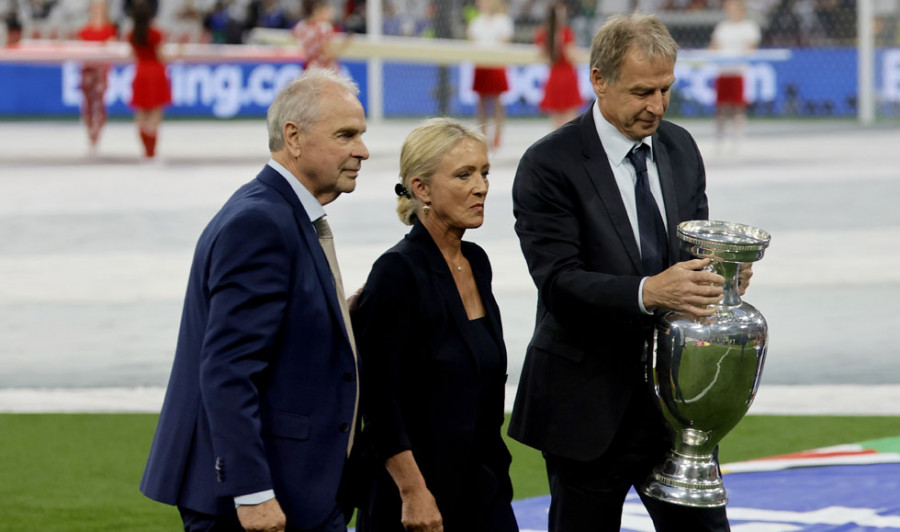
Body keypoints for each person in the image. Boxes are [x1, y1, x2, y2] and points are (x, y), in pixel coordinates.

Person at [508, 12, 753, 532]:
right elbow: (558, 282)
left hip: (675, 409)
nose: (657, 106)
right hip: (587, 407)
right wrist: (649, 291)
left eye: (666, 89)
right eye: (643, 92)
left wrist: (721, 278)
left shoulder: (681, 148)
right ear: (598, 80)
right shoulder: (549, 163)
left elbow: (693, 249)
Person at [139, 68, 369, 532]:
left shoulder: (277, 213)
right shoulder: (261, 224)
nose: (362, 150)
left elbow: (275, 330)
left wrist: (338, 316)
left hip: (294, 488)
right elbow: (227, 368)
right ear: (294, 137)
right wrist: (253, 492)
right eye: (346, 135)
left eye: (361, 135)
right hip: (260, 499)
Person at [352, 118, 518, 532]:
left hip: (482, 491)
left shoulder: (476, 262)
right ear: (421, 188)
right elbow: (378, 398)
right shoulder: (396, 272)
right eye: (464, 175)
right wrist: (413, 492)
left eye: (484, 173)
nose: (481, 187)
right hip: (417, 499)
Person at [709, 0, 761, 152]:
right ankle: (719, 139)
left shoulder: (749, 27)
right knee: (721, 108)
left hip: (738, 72)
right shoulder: (723, 27)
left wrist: (739, 55)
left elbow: (751, 46)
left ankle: (738, 140)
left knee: (738, 107)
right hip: (723, 72)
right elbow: (714, 45)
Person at [466, 0, 513, 150]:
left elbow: (505, 41)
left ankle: (497, 136)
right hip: (481, 64)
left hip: (496, 64)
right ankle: (483, 134)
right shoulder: (476, 22)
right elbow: (472, 42)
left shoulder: (503, 20)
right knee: (481, 101)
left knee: (497, 101)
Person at [127, 0, 171, 160]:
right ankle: (152, 151)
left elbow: (132, 55)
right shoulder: (155, 34)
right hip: (156, 72)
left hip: (141, 71)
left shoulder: (131, 35)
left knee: (142, 112)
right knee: (155, 112)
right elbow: (162, 56)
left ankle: (146, 150)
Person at [534, 0, 583, 130]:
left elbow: (542, 54)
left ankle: (557, 148)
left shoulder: (542, 33)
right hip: (567, 76)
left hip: (553, 76)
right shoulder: (566, 32)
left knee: (556, 122)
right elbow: (570, 56)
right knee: (571, 119)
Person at [77, 0, 117, 155]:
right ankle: (89, 130)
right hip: (88, 70)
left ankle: (97, 131)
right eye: (95, 9)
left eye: (100, 9)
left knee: (99, 100)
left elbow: (112, 51)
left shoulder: (109, 30)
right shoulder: (84, 31)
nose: (97, 12)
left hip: (101, 70)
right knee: (88, 101)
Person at [292, 0, 350, 73]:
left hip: (309, 67)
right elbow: (326, 55)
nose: (331, 12)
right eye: (328, 9)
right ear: (318, 10)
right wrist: (345, 44)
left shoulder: (300, 26)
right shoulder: (323, 27)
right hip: (325, 71)